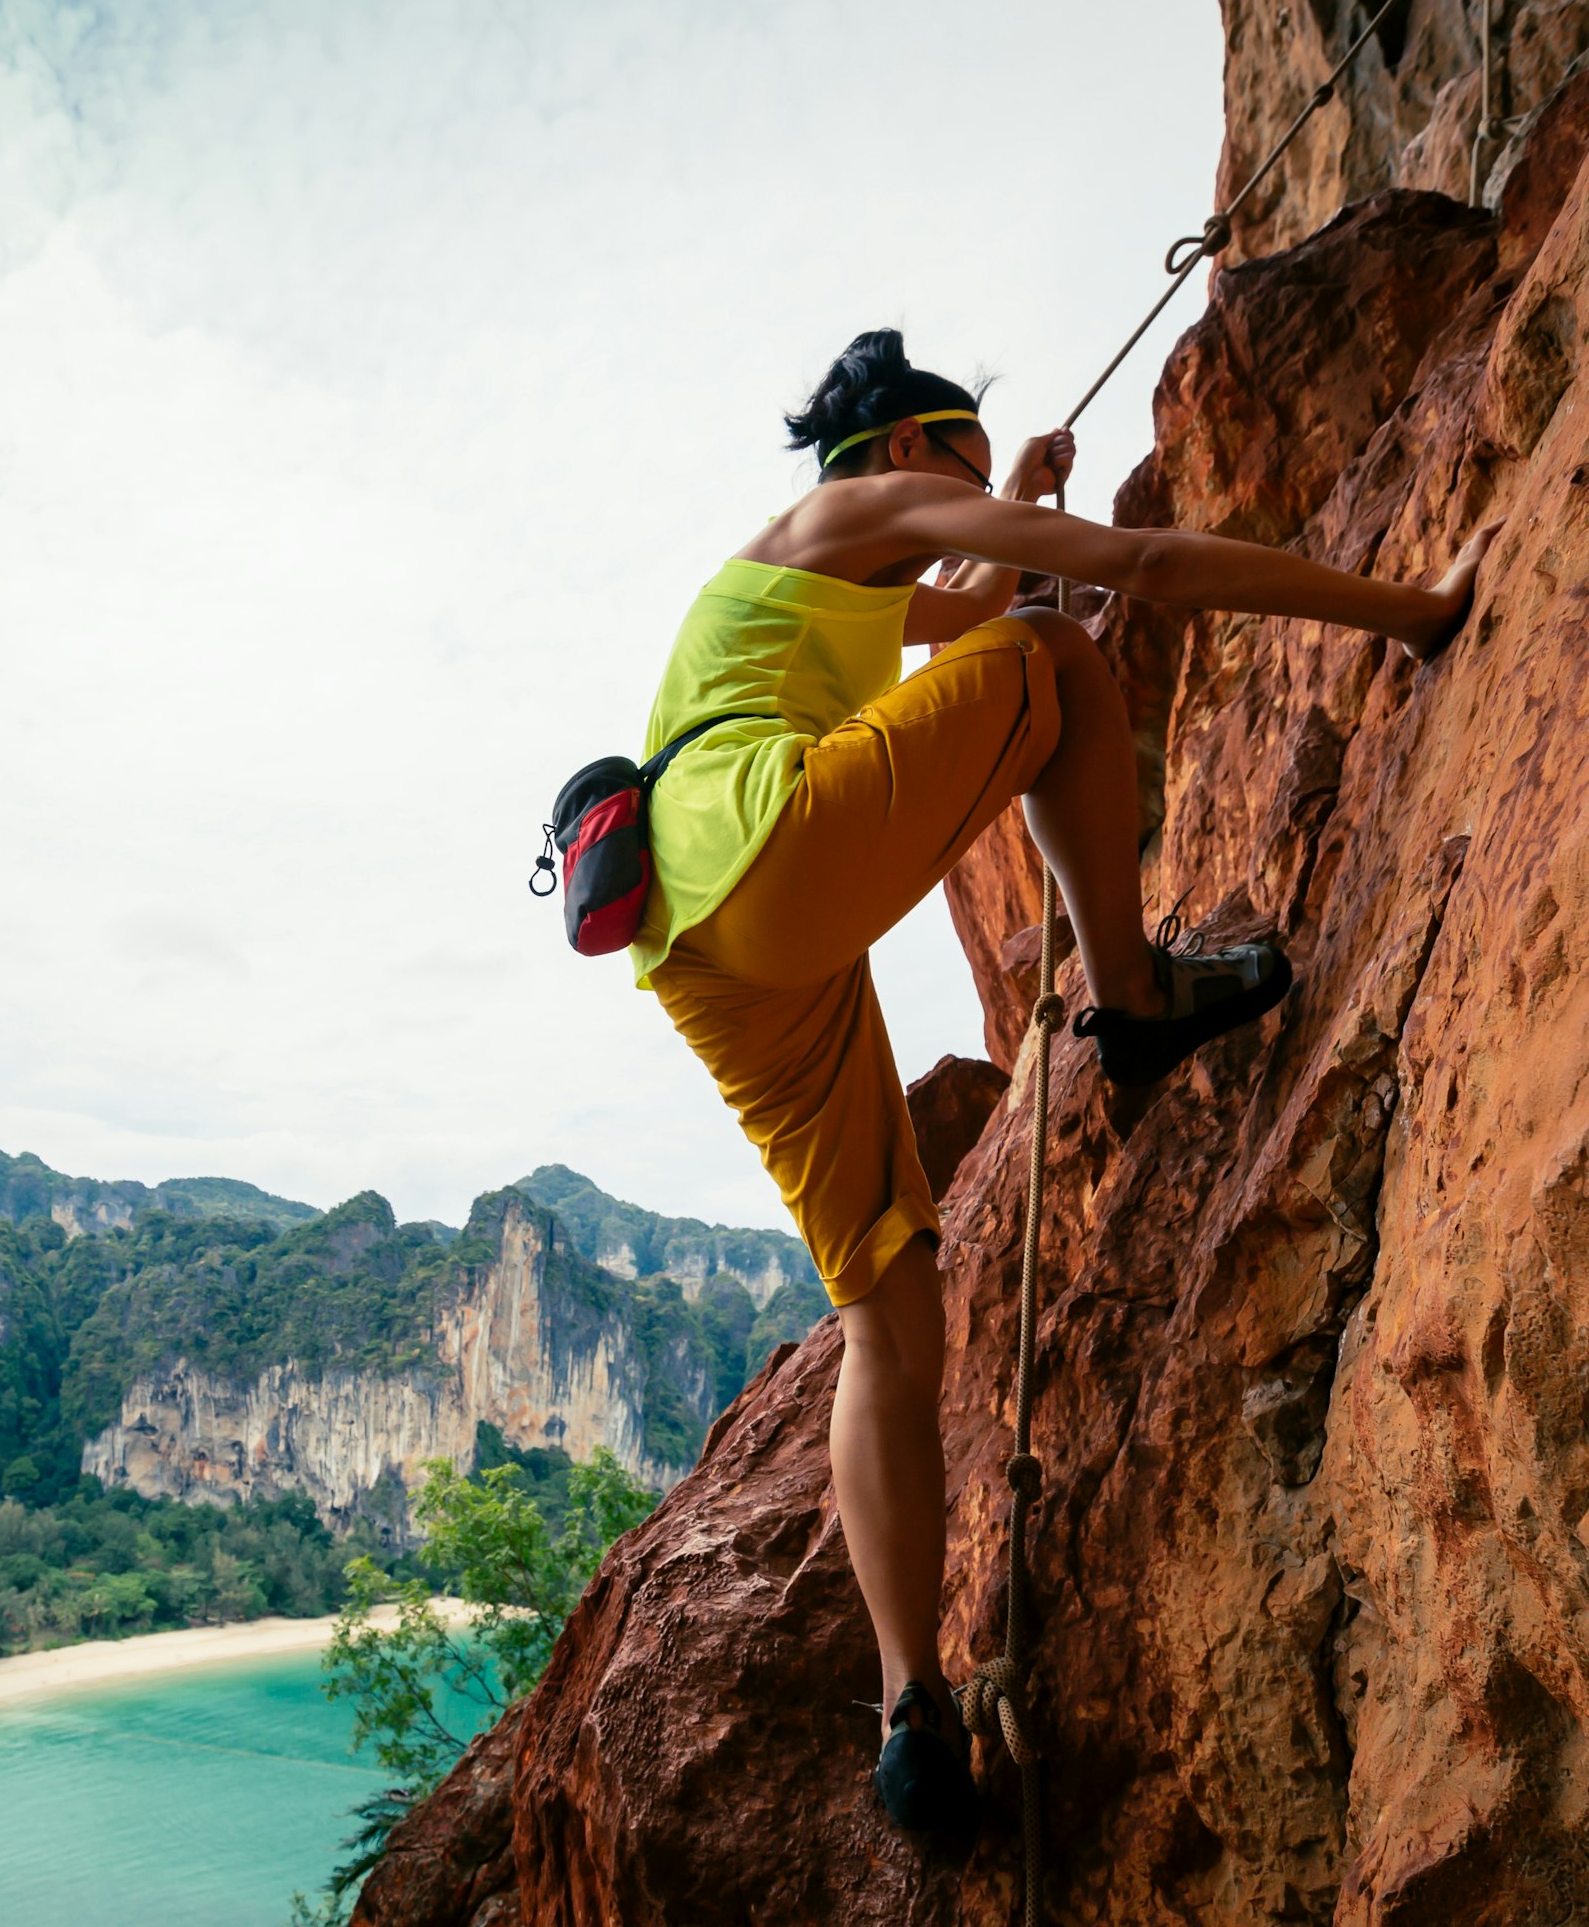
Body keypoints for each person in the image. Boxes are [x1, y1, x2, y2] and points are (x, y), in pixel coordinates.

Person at [630, 328, 1500, 1845]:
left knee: (888, 1306)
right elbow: (1132, 566)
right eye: (961, 469)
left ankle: (914, 1709)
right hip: (777, 836)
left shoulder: (802, 568)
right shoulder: (849, 511)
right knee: (1061, 658)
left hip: (702, 937)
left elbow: (953, 611)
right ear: (911, 454)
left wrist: (1017, 489)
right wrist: (1413, 610)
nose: (970, 496)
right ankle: (1138, 992)